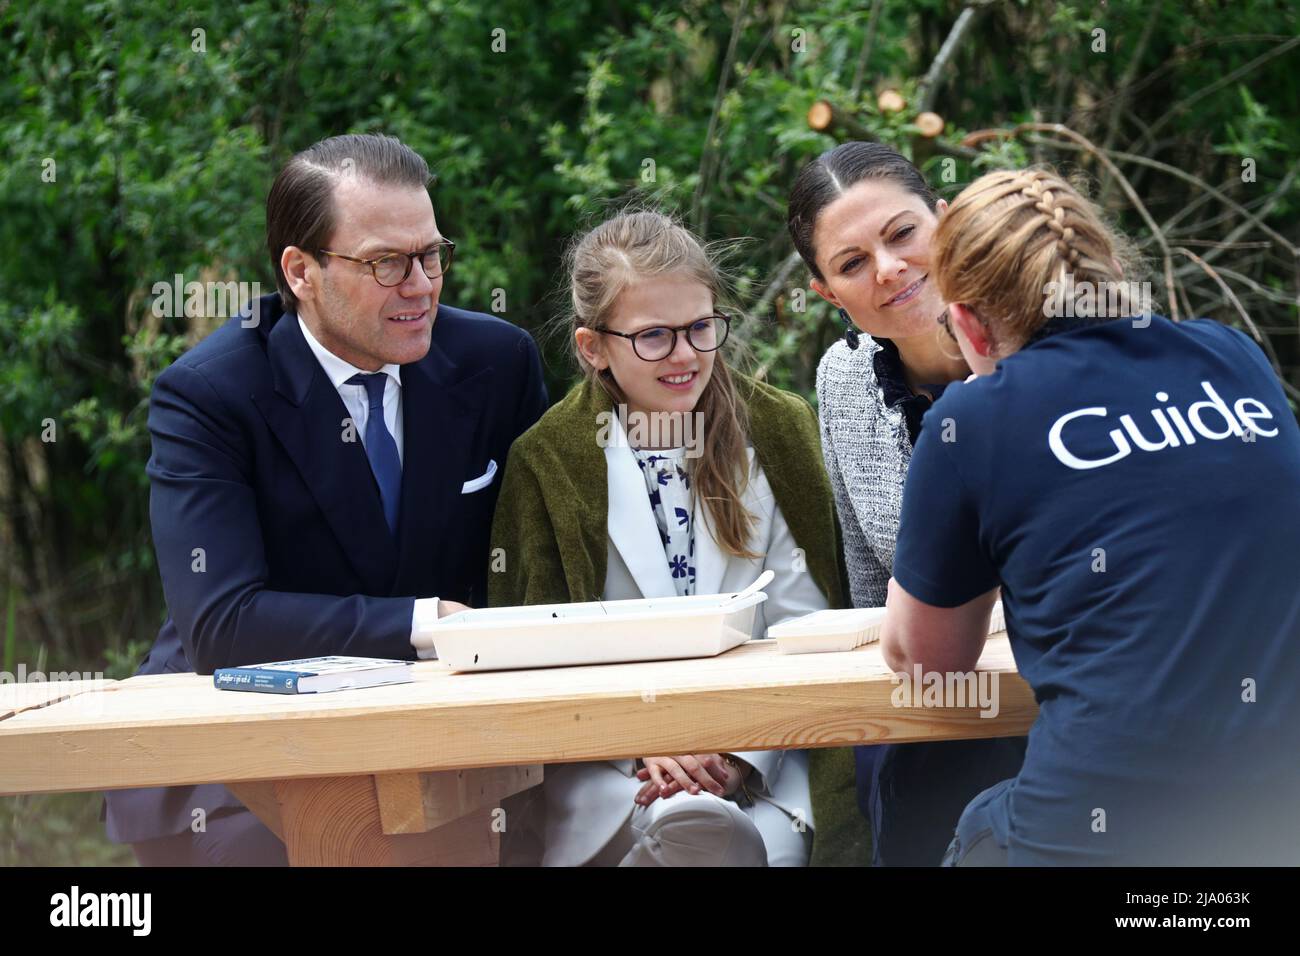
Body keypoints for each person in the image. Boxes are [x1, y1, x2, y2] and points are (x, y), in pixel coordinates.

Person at [102, 133, 548, 865]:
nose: (422, 285)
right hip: (239, 743)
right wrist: (426, 621)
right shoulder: (211, 394)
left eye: (431, 254)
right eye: (385, 262)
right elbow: (223, 622)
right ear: (301, 271)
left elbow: (545, 571)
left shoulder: (497, 362)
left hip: (446, 733)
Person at [883, 166, 1300, 865]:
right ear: (1113, 274)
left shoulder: (972, 419)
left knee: (969, 820)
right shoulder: (1231, 356)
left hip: (1102, 835)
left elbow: (925, 659)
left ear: (968, 324)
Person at [489, 210, 847, 866]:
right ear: (594, 347)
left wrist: (738, 752)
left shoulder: (778, 429)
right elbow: (530, 652)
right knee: (691, 831)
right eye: (653, 336)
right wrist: (640, 743)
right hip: (614, 772)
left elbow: (808, 627)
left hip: (764, 766)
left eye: (700, 328)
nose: (685, 355)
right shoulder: (548, 458)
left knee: (721, 835)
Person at [787, 142, 1026, 865]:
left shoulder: (1042, 345)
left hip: (1061, 689)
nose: (889, 269)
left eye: (902, 235)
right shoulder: (844, 380)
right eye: (853, 263)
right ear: (828, 292)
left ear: (945, 221)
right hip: (931, 705)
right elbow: (868, 582)